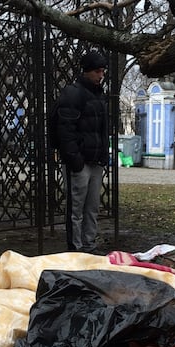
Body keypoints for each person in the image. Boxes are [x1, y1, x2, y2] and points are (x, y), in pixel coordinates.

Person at [56, 50, 110, 253]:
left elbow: (102, 128)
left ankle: (89, 245)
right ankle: (76, 248)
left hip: (94, 160)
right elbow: (65, 129)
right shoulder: (73, 93)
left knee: (92, 207)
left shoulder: (98, 94)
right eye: (97, 71)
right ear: (87, 71)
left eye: (102, 71)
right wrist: (74, 159)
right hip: (80, 162)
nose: (101, 75)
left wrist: (103, 153)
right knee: (76, 208)